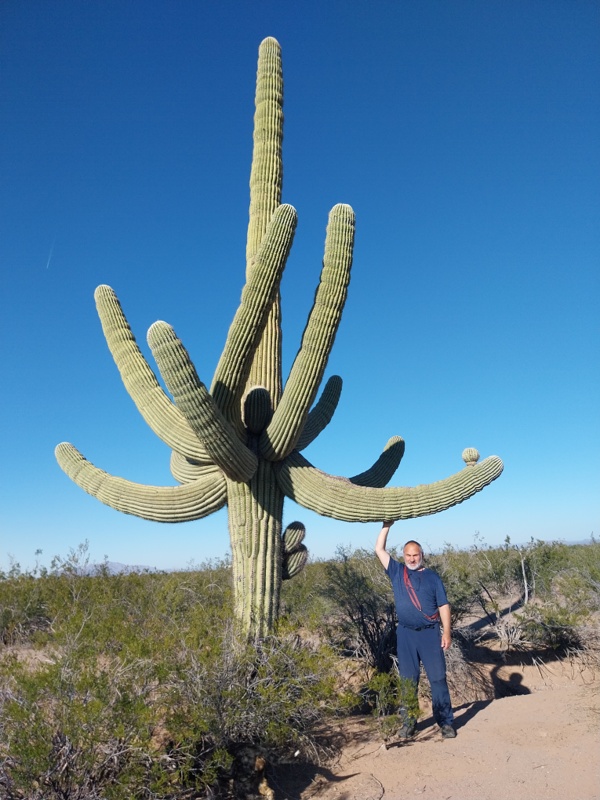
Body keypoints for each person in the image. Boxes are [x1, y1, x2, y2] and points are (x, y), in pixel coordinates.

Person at [375, 520, 456, 740]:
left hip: (430, 633)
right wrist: (386, 525)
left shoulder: (433, 577)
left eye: (416, 555)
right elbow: (379, 549)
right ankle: (409, 723)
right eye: (408, 555)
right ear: (403, 556)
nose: (412, 558)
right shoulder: (397, 572)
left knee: (437, 678)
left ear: (422, 555)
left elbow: (443, 605)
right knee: (408, 680)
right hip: (405, 634)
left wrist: (446, 632)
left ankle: (446, 723)